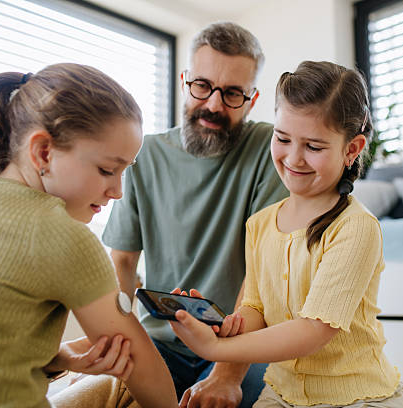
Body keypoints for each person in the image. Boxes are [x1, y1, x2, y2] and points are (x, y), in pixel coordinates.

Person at [170, 61, 403, 407]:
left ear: (352, 149)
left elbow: (312, 331)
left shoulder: (356, 227)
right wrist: (226, 326)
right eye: (282, 138)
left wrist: (215, 348)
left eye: (314, 147)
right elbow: (255, 305)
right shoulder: (260, 223)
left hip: (356, 396)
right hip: (282, 391)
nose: (294, 158)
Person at [0, 63, 177, 407]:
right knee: (128, 383)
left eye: (125, 172)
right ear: (43, 152)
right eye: (108, 170)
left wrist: (62, 358)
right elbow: (140, 365)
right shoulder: (59, 233)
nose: (118, 191)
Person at [101, 21, 288, 407]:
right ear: (185, 81)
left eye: (233, 94)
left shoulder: (269, 151)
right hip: (159, 340)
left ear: (252, 100)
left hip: (238, 345)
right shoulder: (145, 155)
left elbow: (265, 270)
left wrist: (225, 375)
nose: (214, 105)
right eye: (202, 86)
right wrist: (120, 339)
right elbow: (122, 263)